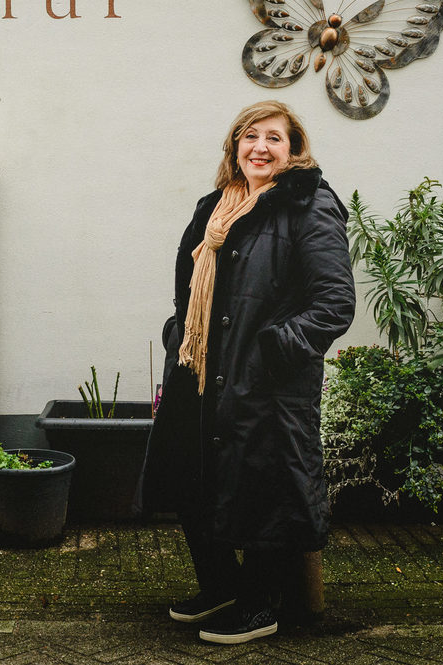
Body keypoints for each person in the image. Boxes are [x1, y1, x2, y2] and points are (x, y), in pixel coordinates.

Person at [139, 100, 356, 645]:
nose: (260, 147)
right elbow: (187, 289)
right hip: (199, 369)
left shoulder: (309, 206)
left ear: (293, 149)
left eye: (274, 138)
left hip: (265, 380)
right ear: (235, 146)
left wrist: (272, 351)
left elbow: (334, 302)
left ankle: (262, 605)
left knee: (264, 488)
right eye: (250, 136)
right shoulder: (214, 205)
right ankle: (220, 585)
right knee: (193, 479)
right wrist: (178, 335)